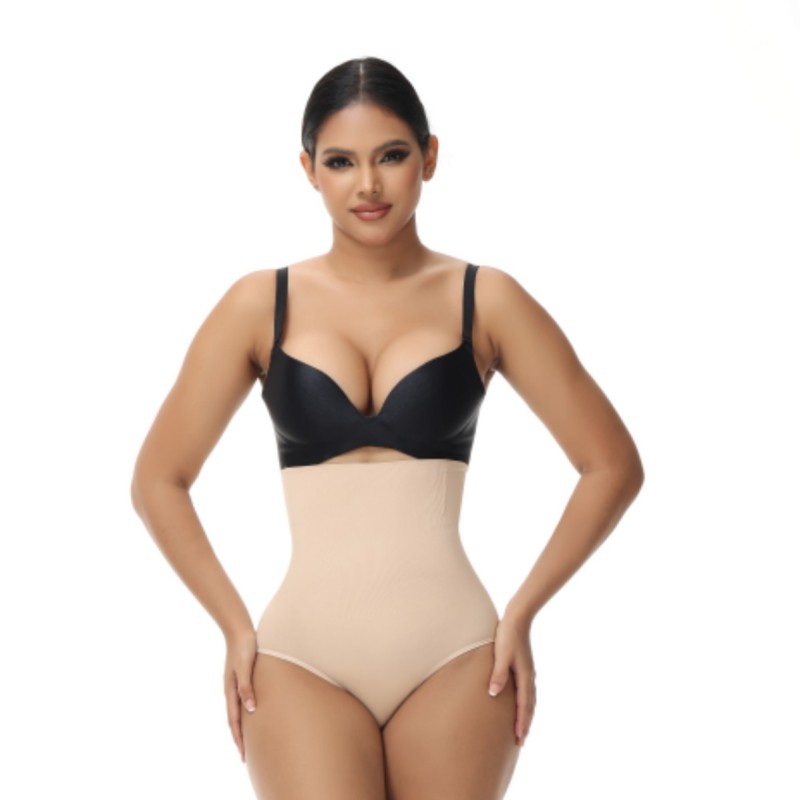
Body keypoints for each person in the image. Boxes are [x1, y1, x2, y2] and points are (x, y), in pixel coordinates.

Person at [131, 56, 644, 800]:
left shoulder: (485, 298)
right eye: (340, 162)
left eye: (392, 156)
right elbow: (158, 479)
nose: (367, 185)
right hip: (301, 658)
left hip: (458, 656)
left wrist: (523, 611)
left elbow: (612, 465)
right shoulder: (260, 304)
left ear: (429, 156)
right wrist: (235, 627)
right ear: (309, 169)